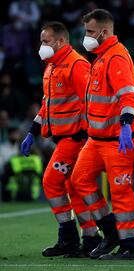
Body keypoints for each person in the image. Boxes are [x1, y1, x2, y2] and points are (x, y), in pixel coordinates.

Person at [20, 21, 102, 257]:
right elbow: (48, 105)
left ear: (61, 41)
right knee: (72, 187)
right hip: (64, 137)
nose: (42, 46)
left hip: (75, 138)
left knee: (51, 181)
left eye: (45, 42)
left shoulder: (76, 65)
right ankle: (90, 238)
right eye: (41, 41)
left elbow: (91, 100)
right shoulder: (53, 66)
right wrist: (32, 132)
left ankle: (68, 237)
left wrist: (85, 133)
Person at [70, 9, 134, 260]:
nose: (86, 37)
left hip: (117, 139)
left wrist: (126, 124)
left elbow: (128, 95)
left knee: (121, 192)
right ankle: (111, 232)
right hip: (98, 138)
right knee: (79, 179)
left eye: (90, 32)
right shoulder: (101, 57)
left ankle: (132, 248)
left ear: (104, 32)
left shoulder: (116, 58)